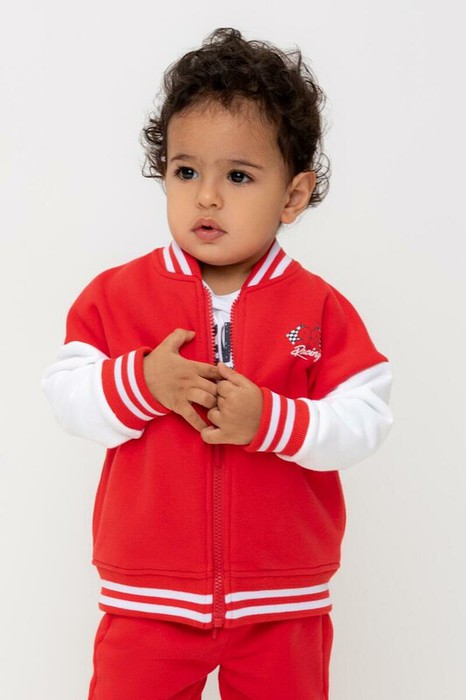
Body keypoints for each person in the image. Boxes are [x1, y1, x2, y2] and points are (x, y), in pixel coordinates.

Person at [41, 27, 393, 700]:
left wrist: (272, 421)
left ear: (292, 196)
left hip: (282, 599)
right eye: (185, 171)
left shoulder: (319, 308)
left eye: (237, 176)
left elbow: (365, 416)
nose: (206, 196)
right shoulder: (117, 296)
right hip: (148, 597)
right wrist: (141, 382)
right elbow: (66, 393)